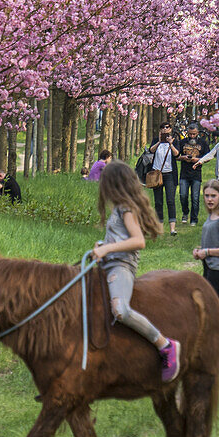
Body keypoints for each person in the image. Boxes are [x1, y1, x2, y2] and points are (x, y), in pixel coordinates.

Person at [92, 160, 182, 383]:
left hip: (121, 266)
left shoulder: (126, 209)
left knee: (120, 310)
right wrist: (102, 245)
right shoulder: (118, 208)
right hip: (109, 263)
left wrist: (108, 249)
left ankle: (165, 345)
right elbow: (118, 238)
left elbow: (138, 241)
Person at [192, 179, 219, 368]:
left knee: (214, 312)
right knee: (204, 310)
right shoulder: (211, 217)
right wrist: (200, 251)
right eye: (207, 196)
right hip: (209, 267)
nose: (209, 199)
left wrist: (207, 252)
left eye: (213, 196)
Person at [177, 122, 211, 226]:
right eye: (190, 134)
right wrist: (183, 158)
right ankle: (185, 212)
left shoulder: (203, 143)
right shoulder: (182, 142)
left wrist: (198, 160)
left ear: (198, 133)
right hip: (184, 173)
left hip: (196, 174)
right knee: (183, 195)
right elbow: (176, 156)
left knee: (195, 197)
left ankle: (194, 219)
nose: (192, 136)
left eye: (194, 134)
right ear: (187, 133)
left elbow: (208, 157)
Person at [148, 122, 180, 235]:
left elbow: (177, 154)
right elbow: (151, 150)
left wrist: (171, 144)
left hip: (170, 174)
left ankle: (172, 228)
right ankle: (159, 227)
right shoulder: (156, 140)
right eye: (162, 127)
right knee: (158, 201)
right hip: (157, 174)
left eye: (167, 127)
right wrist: (159, 142)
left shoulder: (175, 141)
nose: (165, 129)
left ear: (170, 129)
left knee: (170, 200)